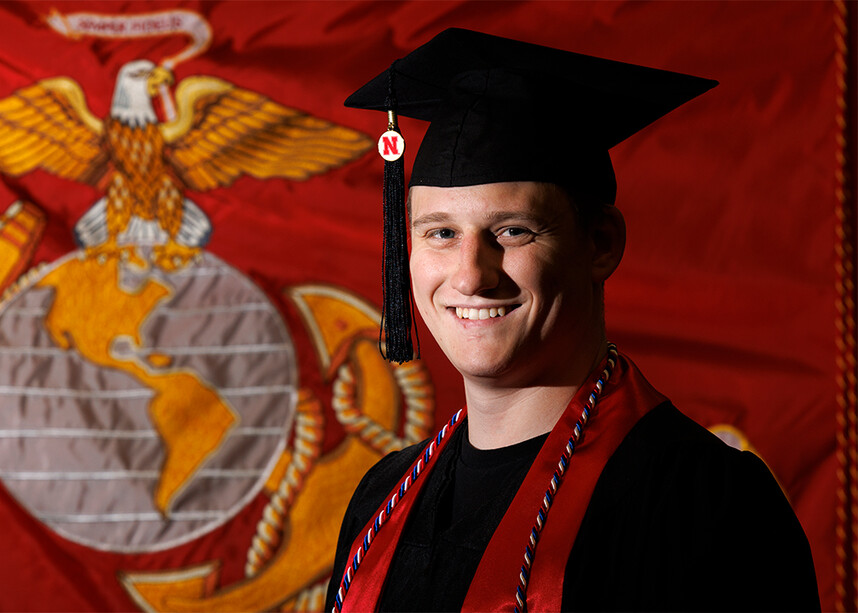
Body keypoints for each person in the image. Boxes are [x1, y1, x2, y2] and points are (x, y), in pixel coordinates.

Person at [326, 28, 819, 612]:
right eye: (441, 233)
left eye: (512, 231)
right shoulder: (381, 502)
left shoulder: (705, 502)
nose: (469, 276)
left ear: (601, 244)